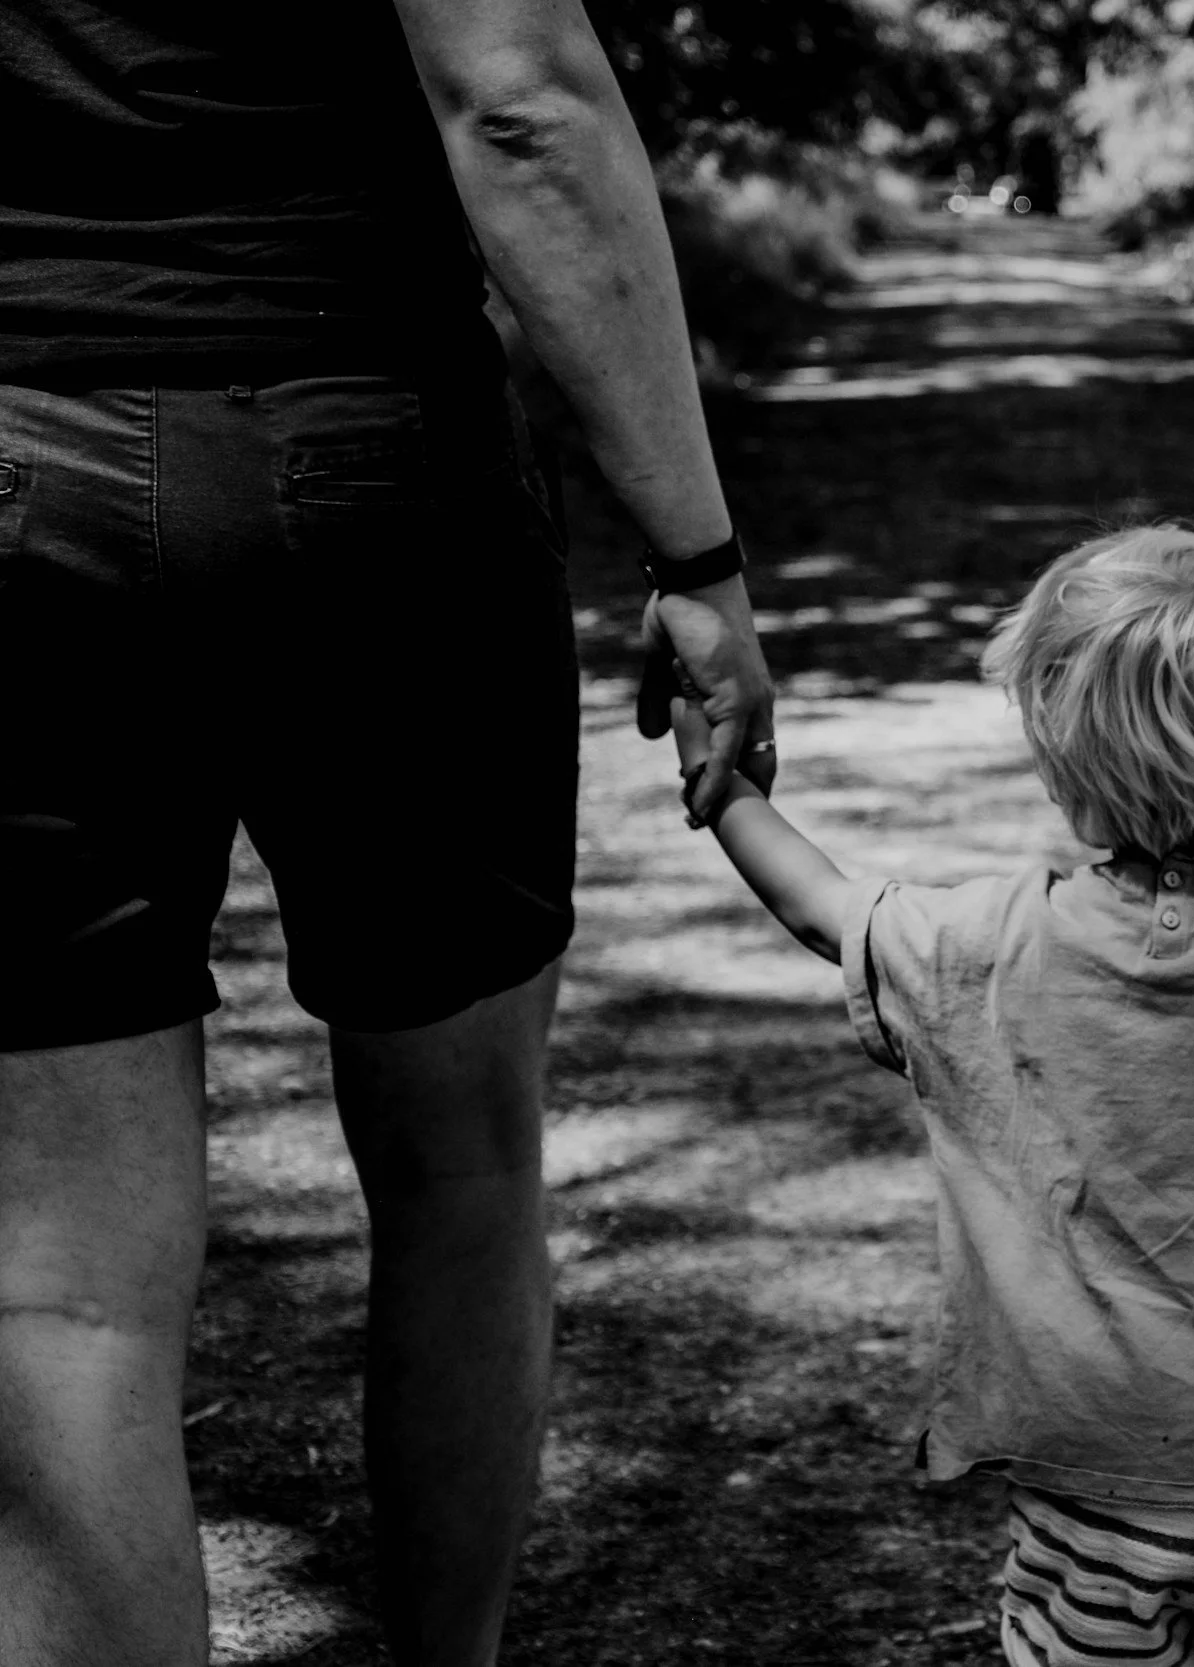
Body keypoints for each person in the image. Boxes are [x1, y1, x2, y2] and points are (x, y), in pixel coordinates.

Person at [0, 1, 772, 1662]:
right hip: (376, 468)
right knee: (461, 1168)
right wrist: (697, 560)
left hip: (17, 477)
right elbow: (518, 100)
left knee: (60, 1289)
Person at [665, 526, 1194, 1667]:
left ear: (1051, 761)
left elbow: (825, 908)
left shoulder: (994, 940)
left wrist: (720, 784)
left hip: (1095, 1486)